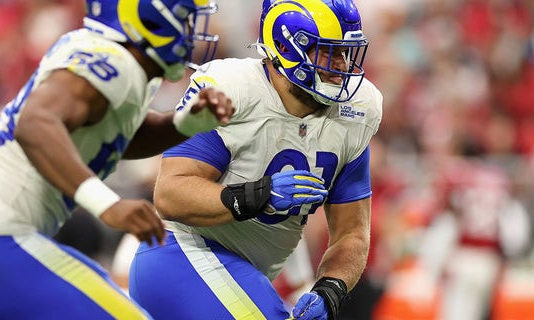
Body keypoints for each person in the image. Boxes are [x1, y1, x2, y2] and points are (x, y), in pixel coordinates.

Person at [0, 0, 234, 319]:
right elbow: (35, 124)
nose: (191, 31)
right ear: (150, 18)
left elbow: (117, 137)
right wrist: (107, 204)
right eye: (186, 18)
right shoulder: (115, 62)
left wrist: (185, 124)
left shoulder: (103, 57)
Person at [128, 0, 383, 319]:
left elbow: (352, 233)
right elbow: (170, 194)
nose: (343, 66)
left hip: (246, 275)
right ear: (287, 47)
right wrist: (259, 195)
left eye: (346, 53)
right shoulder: (234, 91)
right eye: (330, 52)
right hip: (182, 252)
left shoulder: (356, 113)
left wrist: (330, 288)